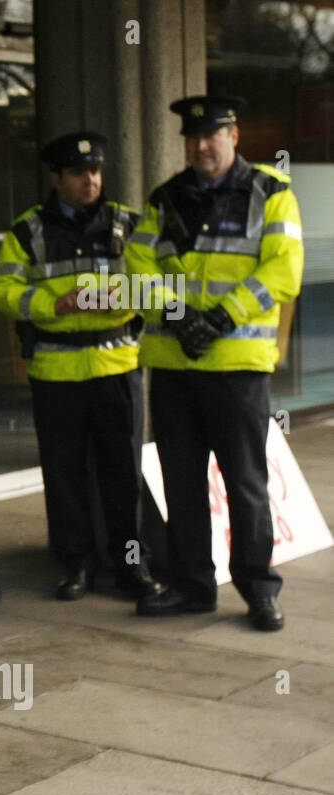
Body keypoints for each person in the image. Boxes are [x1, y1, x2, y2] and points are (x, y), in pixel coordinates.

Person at [126, 95, 304, 631]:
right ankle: (192, 586)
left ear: (234, 136)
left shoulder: (271, 193)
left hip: (238, 365)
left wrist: (222, 318)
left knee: (246, 483)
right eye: (193, 137)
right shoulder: (165, 198)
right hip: (176, 364)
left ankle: (258, 591)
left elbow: (284, 269)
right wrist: (179, 314)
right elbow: (136, 261)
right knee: (180, 482)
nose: (202, 146)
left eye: (213, 135)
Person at [0, 132, 161, 601]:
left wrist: (119, 297)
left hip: (116, 367)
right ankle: (77, 565)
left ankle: (132, 569)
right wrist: (52, 303)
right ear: (56, 177)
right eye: (80, 173)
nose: (91, 180)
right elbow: (1, 292)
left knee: (123, 474)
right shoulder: (28, 231)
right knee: (64, 478)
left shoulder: (129, 223)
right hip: (56, 372)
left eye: (97, 172)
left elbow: (161, 287)